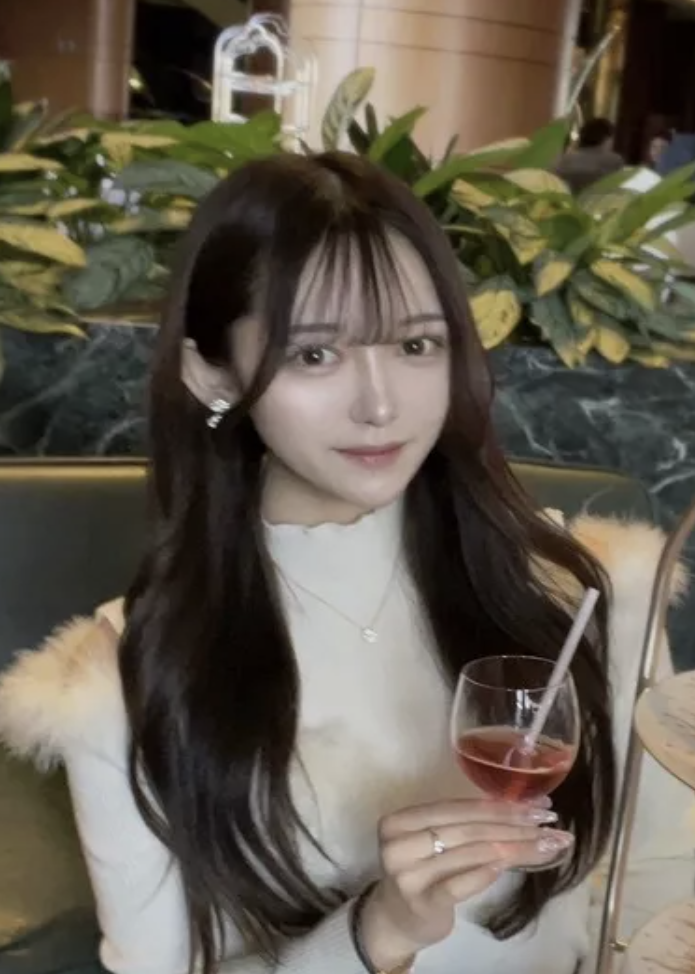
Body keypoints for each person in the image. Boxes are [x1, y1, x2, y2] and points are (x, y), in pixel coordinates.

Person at [0, 152, 692, 974]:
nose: (379, 403)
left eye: (414, 343)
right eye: (314, 355)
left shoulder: (582, 592)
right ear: (212, 373)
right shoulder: (123, 683)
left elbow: (659, 886)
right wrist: (375, 932)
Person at [555, 118, 625, 194]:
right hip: (600, 200)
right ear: (606, 138)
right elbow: (617, 188)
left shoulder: (566, 159)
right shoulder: (614, 160)